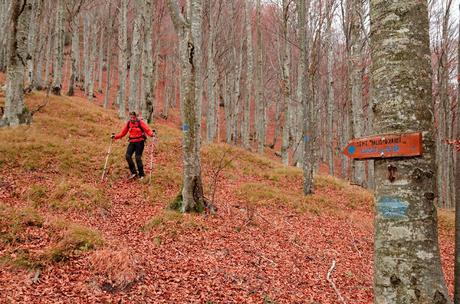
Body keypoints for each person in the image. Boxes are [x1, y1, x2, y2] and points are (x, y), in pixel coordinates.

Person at [112, 112, 154, 180]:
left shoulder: (140, 122)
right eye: (130, 117)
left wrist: (152, 134)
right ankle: (134, 172)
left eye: (133, 117)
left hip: (140, 142)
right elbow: (123, 133)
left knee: (137, 157)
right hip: (132, 142)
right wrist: (115, 137)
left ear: (136, 117)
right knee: (127, 156)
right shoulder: (129, 123)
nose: (132, 119)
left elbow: (147, 130)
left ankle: (141, 174)